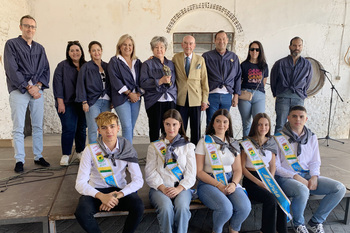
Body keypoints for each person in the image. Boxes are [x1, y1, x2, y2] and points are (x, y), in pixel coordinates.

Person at [275, 106, 346, 233]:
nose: (298, 119)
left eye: (301, 116)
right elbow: (277, 167)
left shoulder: (312, 137)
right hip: (286, 178)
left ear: (306, 119)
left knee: (339, 188)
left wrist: (314, 176)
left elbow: (315, 161)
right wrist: (296, 177)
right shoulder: (278, 138)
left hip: (307, 176)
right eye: (294, 116)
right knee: (303, 190)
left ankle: (316, 221)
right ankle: (298, 224)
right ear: (288, 118)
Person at [75, 111, 144, 233]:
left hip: (119, 191)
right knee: (82, 212)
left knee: (138, 206)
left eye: (112, 126)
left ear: (118, 128)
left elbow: (138, 180)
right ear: (99, 131)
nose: (109, 131)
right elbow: (80, 183)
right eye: (104, 127)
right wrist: (102, 197)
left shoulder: (126, 148)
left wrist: (115, 196)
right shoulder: (90, 150)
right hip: (97, 191)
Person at [4, 15, 50, 173]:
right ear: (20, 27)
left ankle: (38, 156)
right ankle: (19, 160)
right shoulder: (11, 45)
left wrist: (37, 86)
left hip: (37, 91)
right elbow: (11, 68)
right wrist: (27, 86)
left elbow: (45, 69)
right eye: (27, 26)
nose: (30, 29)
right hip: (19, 90)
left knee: (38, 125)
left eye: (33, 27)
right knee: (19, 127)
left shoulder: (39, 48)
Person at [195, 109, 251, 233]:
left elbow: (237, 170)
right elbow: (199, 172)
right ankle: (217, 230)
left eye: (225, 122)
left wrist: (234, 184)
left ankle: (234, 229)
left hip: (229, 181)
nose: (221, 125)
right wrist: (218, 185)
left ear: (229, 125)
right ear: (213, 124)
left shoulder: (233, 143)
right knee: (225, 209)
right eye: (218, 121)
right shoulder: (203, 142)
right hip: (208, 183)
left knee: (245, 207)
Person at [145, 109, 196, 233]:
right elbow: (150, 172)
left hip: (181, 188)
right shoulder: (154, 146)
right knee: (166, 208)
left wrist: (179, 189)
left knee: (182, 207)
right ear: (163, 124)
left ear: (180, 124)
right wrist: (163, 188)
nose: (171, 128)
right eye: (167, 124)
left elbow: (191, 173)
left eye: (174, 124)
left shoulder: (188, 146)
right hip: (160, 189)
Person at [241, 113, 287, 233]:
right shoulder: (247, 142)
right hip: (251, 180)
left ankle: (282, 230)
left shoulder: (271, 141)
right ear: (255, 126)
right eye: (260, 124)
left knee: (282, 197)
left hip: (267, 177)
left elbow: (272, 165)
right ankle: (267, 230)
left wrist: (270, 179)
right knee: (270, 199)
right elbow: (242, 168)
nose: (263, 127)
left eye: (266, 125)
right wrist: (259, 182)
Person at [53, 41, 87, 166]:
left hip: (82, 102)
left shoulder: (86, 65)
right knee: (69, 128)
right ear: (68, 52)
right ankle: (66, 155)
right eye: (72, 50)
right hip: (67, 102)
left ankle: (80, 152)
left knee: (81, 129)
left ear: (81, 52)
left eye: (77, 50)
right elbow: (57, 85)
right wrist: (60, 102)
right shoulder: (62, 66)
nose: (75, 52)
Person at [270, 36, 313, 134]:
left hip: (298, 97)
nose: (297, 48)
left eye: (299, 45)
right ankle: (278, 147)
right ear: (290, 47)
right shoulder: (280, 63)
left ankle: (295, 146)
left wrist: (301, 93)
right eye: (294, 45)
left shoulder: (307, 64)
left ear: (302, 47)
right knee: (280, 123)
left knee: (298, 124)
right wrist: (278, 93)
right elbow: (273, 80)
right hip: (283, 97)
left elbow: (308, 82)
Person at [172, 35, 209, 145]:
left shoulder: (200, 60)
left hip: (196, 99)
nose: (188, 46)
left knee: (195, 129)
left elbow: (204, 81)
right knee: (180, 127)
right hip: (181, 98)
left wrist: (205, 100)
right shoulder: (176, 58)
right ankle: (180, 148)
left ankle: (194, 151)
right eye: (186, 43)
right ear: (182, 45)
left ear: (194, 45)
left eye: (191, 43)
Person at [140, 36, 177, 142]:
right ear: (152, 49)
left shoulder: (171, 64)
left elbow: (174, 81)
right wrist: (159, 81)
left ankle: (169, 153)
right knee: (155, 129)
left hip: (170, 100)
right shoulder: (147, 64)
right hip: (155, 101)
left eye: (161, 47)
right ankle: (155, 153)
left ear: (165, 49)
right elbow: (143, 83)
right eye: (156, 47)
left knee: (170, 129)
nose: (159, 50)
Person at [202, 30, 241, 126]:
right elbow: (202, 77)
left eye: (223, 39)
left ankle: (222, 141)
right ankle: (210, 141)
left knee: (224, 123)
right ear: (215, 41)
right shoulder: (207, 56)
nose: (221, 41)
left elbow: (238, 76)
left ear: (227, 40)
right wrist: (203, 97)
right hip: (211, 95)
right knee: (211, 122)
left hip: (227, 96)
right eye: (219, 39)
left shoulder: (233, 57)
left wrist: (236, 95)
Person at [108, 34, 142, 144]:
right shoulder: (114, 61)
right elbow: (115, 80)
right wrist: (129, 93)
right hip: (121, 98)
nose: (127, 47)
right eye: (124, 44)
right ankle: (127, 156)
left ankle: (126, 151)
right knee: (126, 126)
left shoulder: (137, 62)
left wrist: (138, 93)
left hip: (136, 99)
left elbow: (143, 78)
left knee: (131, 127)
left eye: (130, 45)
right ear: (119, 46)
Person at [76, 41, 111, 144]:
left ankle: (103, 153)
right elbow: (80, 85)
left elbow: (112, 84)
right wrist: (84, 101)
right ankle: (93, 155)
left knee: (104, 129)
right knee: (93, 129)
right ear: (89, 52)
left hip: (107, 101)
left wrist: (113, 99)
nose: (96, 53)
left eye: (98, 50)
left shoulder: (107, 66)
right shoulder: (86, 67)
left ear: (102, 51)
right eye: (93, 50)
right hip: (92, 102)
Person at [238, 41, 268, 138]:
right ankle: (246, 146)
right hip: (245, 94)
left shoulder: (264, 65)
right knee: (246, 122)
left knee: (259, 121)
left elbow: (264, 82)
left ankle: (257, 144)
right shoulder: (243, 65)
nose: (254, 51)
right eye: (252, 49)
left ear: (260, 51)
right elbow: (239, 81)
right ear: (249, 51)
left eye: (257, 49)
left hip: (259, 95)